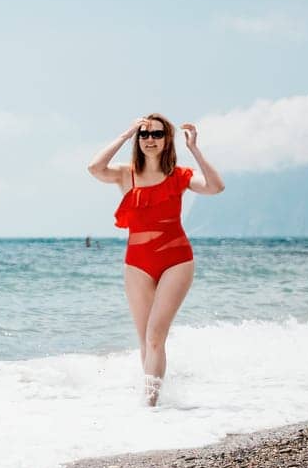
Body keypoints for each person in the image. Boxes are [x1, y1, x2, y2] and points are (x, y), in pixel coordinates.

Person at [88, 114, 225, 405]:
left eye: (157, 134)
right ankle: (153, 401)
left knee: (155, 336)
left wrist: (195, 150)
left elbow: (216, 186)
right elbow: (94, 167)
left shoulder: (180, 175)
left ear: (167, 139)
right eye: (144, 134)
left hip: (176, 260)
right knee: (145, 340)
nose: (150, 139)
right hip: (136, 263)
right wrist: (125, 134)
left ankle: (149, 408)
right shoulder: (127, 174)